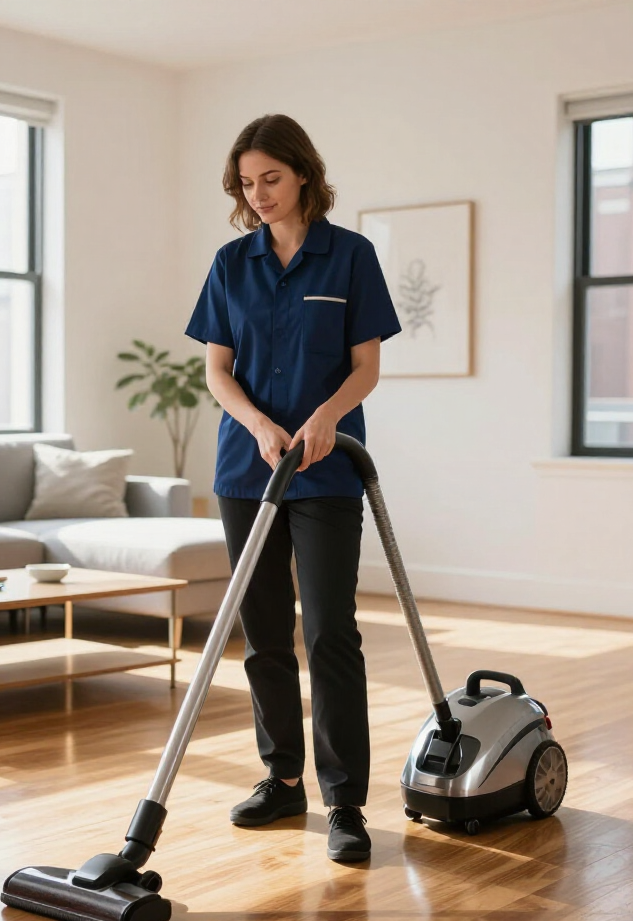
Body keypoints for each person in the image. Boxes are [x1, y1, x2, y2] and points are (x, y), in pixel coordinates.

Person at [186, 114, 401, 863]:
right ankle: (281, 780)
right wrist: (255, 425)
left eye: (270, 178)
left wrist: (322, 420)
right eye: (247, 184)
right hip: (247, 471)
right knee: (265, 634)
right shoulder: (230, 263)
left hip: (328, 470)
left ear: (304, 173)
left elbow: (365, 367)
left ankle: (346, 802)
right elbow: (218, 370)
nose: (259, 194)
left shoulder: (350, 258)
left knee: (330, 632)